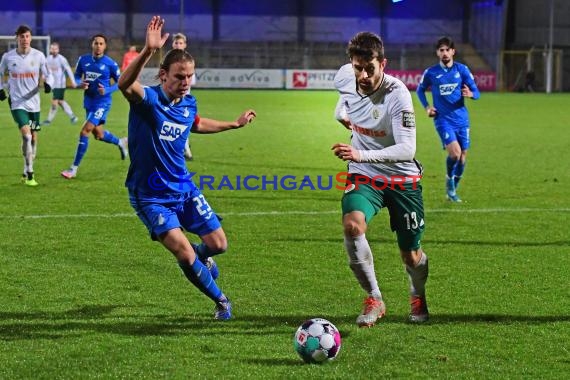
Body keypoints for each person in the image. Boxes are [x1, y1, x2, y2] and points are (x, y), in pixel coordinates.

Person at [118, 16, 256, 320]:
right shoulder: (149, 101)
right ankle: (221, 302)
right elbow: (124, 84)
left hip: (183, 188)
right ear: (163, 75)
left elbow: (196, 123)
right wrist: (147, 51)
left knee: (218, 244)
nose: (185, 82)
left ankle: (201, 258)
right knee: (184, 251)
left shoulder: (188, 102)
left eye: (190, 76)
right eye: (180, 77)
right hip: (150, 196)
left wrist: (234, 124)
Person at [331, 31, 429, 326]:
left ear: (383, 63)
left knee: (411, 256)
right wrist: (341, 116)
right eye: (357, 67)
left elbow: (407, 148)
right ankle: (374, 297)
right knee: (352, 225)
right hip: (365, 176)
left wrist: (361, 155)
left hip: (402, 179)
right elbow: (342, 102)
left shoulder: (397, 94)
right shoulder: (345, 77)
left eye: (369, 68)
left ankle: (417, 293)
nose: (363, 75)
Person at [416, 36, 480, 202]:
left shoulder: (462, 70)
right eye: (441, 50)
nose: (444, 53)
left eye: (447, 50)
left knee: (463, 156)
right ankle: (449, 183)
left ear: (453, 51)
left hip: (462, 120)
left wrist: (471, 94)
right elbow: (420, 90)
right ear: (437, 53)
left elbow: (476, 92)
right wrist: (428, 107)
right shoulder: (431, 73)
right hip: (442, 120)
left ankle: (453, 189)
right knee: (455, 154)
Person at [60, 33, 128, 179]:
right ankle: (121, 142)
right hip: (89, 102)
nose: (98, 46)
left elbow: (120, 82)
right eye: (96, 43)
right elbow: (77, 76)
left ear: (105, 46)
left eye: (101, 43)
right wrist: (80, 83)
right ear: (92, 44)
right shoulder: (83, 60)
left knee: (84, 131)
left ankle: (73, 169)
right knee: (99, 134)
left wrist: (107, 90)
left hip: (102, 103)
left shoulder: (110, 63)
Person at [0, 24, 53, 186]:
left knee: (34, 138)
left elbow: (48, 74)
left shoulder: (39, 56)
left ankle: (25, 167)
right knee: (26, 135)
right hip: (17, 102)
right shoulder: (8, 57)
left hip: (34, 104)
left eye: (27, 36)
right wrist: (1, 89)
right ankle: (30, 173)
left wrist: (49, 84)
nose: (25, 39)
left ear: (31, 38)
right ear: (17, 38)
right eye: (22, 36)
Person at [42, 42, 79, 126]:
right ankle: (73, 117)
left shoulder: (62, 59)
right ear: (50, 49)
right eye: (52, 49)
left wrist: (73, 82)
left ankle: (48, 120)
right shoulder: (48, 59)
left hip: (60, 84)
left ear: (58, 50)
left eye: (55, 49)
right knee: (60, 101)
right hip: (53, 84)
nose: (54, 50)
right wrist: (44, 75)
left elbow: (68, 70)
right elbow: (45, 68)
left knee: (54, 101)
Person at [172, 32, 195, 160]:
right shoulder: (167, 61)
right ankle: (185, 150)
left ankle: (186, 150)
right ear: (172, 44)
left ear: (185, 45)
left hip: (183, 100)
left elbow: (192, 81)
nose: (178, 45)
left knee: (182, 125)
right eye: (176, 43)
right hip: (170, 99)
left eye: (181, 43)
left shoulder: (188, 61)